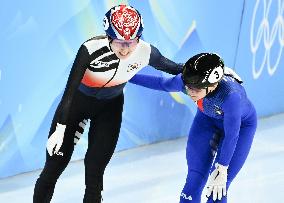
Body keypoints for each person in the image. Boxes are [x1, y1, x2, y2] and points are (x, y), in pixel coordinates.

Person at [33, 4, 183, 203]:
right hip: (76, 105)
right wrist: (60, 128)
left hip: (109, 109)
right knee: (54, 164)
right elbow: (68, 93)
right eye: (120, 42)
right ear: (109, 36)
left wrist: (216, 70)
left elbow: (177, 68)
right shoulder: (90, 49)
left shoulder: (146, 52)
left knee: (95, 170)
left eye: (131, 42)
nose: (126, 49)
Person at [129, 53, 257, 203]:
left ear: (213, 85)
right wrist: (126, 77)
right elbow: (162, 84)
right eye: (188, 87)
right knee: (191, 187)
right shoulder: (189, 81)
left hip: (241, 128)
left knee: (216, 190)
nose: (190, 92)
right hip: (207, 120)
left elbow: (232, 135)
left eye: (196, 89)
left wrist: (222, 168)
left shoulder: (230, 96)